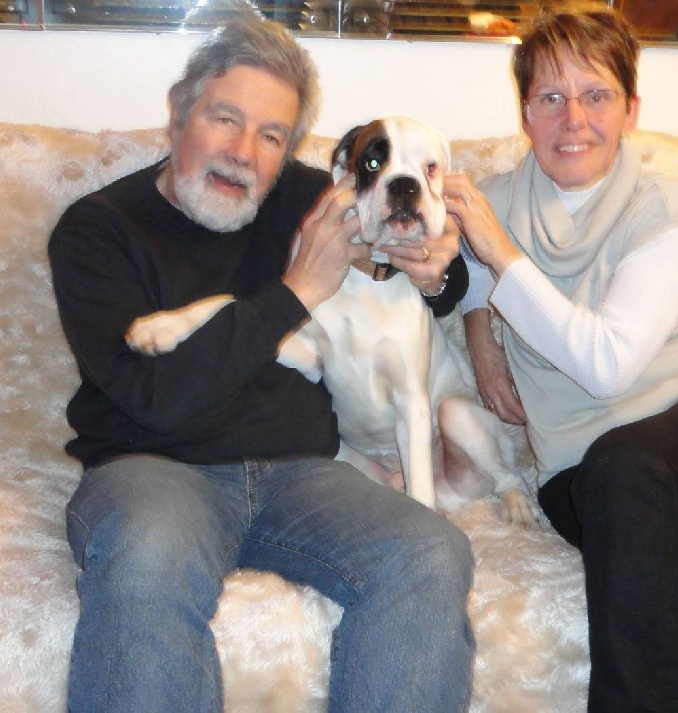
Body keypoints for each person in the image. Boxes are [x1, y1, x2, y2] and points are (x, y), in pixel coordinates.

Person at [48, 8, 475, 713]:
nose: (244, 152)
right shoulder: (98, 230)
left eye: (271, 135)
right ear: (178, 114)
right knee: (146, 555)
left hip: (305, 475)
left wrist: (437, 268)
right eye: (225, 118)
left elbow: (428, 269)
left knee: (432, 550)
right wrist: (296, 290)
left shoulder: (307, 200)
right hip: (156, 473)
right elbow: (154, 398)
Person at [444, 2, 678, 711]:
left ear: (631, 109)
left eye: (596, 95)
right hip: (581, 475)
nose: (573, 118)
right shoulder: (495, 201)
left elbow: (606, 366)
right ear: (526, 113)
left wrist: (500, 252)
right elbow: (465, 275)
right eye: (550, 97)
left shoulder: (669, 204)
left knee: (624, 466)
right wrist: (481, 336)